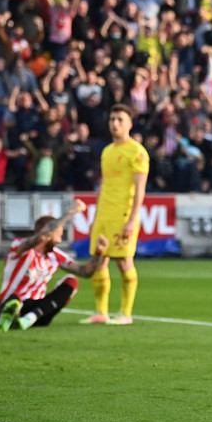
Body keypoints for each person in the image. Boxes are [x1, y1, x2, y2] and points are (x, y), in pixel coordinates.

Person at [0, 200, 110, 332]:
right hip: (9, 302)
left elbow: (85, 272)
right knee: (14, 301)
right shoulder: (20, 247)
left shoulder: (56, 255)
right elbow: (42, 237)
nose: (60, 240)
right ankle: (10, 315)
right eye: (58, 234)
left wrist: (99, 252)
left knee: (71, 281)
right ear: (48, 231)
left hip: (38, 309)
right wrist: (70, 212)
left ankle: (29, 319)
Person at [81, 104, 149, 326]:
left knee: (123, 261)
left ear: (129, 124)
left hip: (123, 214)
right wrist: (95, 215)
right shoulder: (107, 151)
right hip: (104, 215)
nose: (115, 123)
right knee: (99, 261)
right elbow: (104, 185)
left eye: (120, 119)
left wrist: (131, 219)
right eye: (112, 119)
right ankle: (101, 312)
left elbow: (140, 188)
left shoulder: (137, 151)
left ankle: (125, 313)